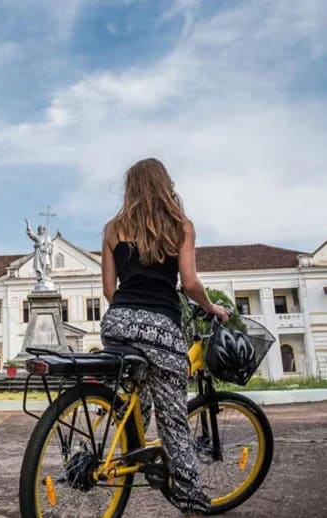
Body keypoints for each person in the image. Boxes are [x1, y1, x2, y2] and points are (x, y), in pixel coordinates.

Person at [100, 158, 228, 517]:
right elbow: (189, 283)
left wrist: (130, 317)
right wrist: (212, 307)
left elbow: (110, 290)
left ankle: (133, 450)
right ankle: (190, 499)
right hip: (161, 326)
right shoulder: (180, 226)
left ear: (131, 188)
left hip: (117, 324)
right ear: (165, 184)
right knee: (174, 421)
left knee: (139, 391)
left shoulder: (113, 228)